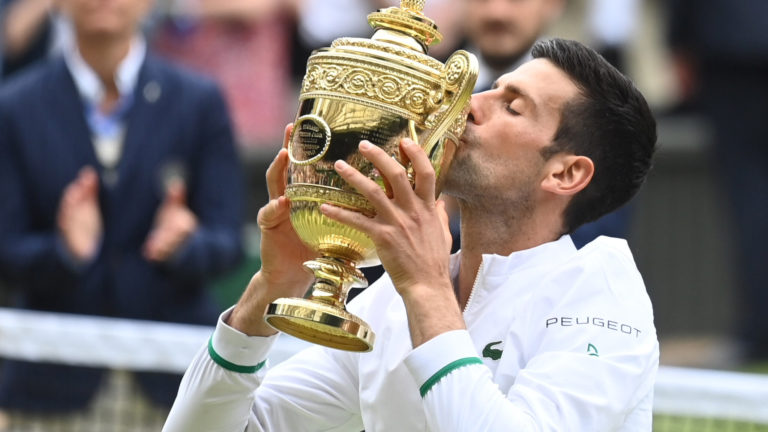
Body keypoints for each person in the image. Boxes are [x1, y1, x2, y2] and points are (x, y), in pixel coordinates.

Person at [163, 38, 658, 431]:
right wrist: (271, 289)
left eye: (512, 106)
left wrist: (425, 290)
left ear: (566, 174)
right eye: (489, 87)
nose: (470, 105)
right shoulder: (391, 300)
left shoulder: (603, 297)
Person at [0, 0, 243, 420]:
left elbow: (228, 242)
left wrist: (184, 243)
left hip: (175, 383)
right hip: (50, 385)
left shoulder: (198, 101)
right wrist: (65, 252)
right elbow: (7, 247)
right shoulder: (15, 107)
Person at [461, 0, 633, 249]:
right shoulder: (423, 88)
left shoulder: (592, 100)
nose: (496, 12)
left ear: (553, 4)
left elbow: (594, 233)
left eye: (514, 108)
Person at [666, 0, 768, 363]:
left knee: (750, 197)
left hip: (731, 43)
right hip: (730, 44)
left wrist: (678, 39)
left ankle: (759, 330)